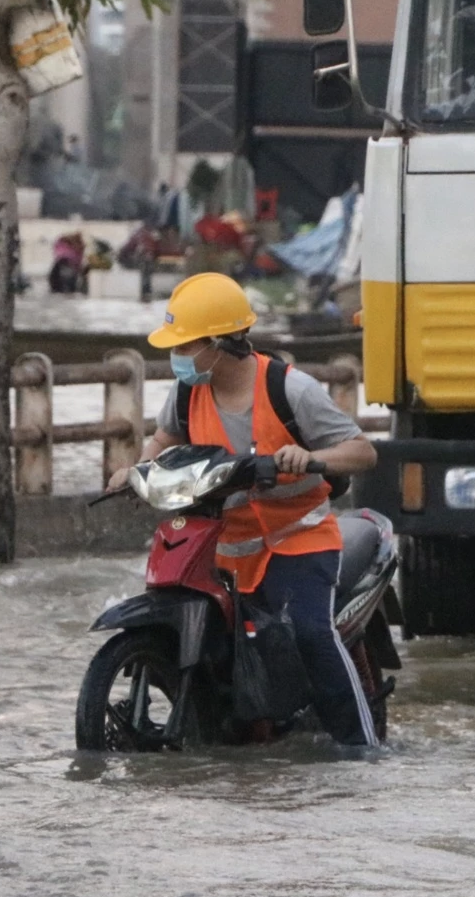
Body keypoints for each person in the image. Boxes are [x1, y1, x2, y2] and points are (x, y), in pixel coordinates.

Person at [105, 272, 380, 745]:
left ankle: (362, 746)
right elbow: (166, 438)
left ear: (218, 342)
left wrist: (311, 458)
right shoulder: (189, 390)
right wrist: (136, 469)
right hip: (223, 545)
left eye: (186, 346)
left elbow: (363, 451)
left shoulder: (290, 390)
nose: (178, 358)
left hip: (298, 541)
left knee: (311, 635)